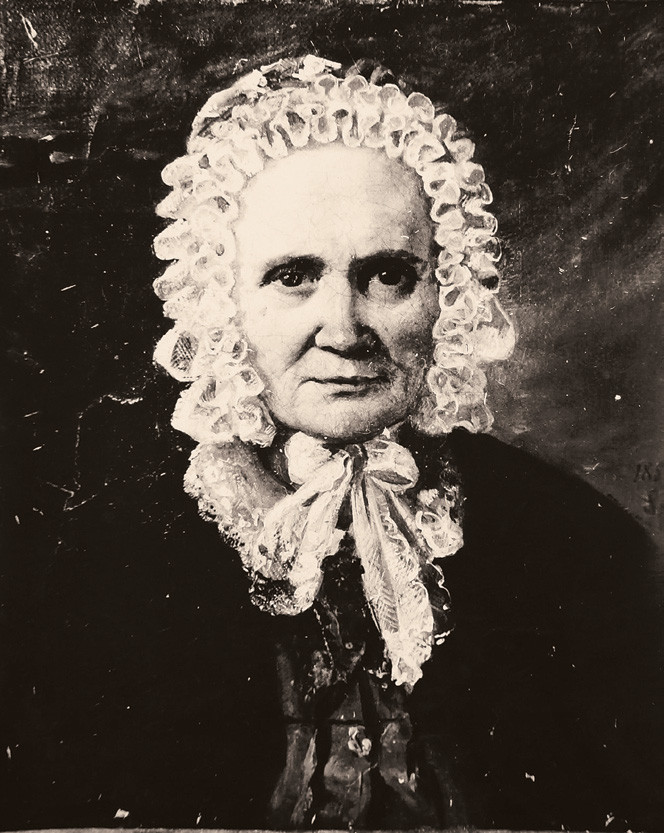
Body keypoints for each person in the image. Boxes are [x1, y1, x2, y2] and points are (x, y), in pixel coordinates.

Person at [4, 56, 662, 831]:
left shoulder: (575, 540)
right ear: (222, 301)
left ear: (447, 292)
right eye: (293, 275)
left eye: (388, 274)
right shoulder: (101, 557)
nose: (345, 330)